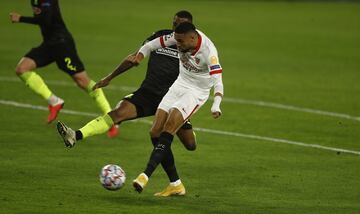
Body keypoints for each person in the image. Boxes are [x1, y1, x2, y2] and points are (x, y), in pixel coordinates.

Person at [57, 11, 198, 195]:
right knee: (118, 113)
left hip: (174, 99)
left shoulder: (195, 47)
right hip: (148, 93)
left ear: (190, 29)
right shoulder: (159, 37)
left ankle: (177, 177)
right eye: (175, 24)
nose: (176, 28)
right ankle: (75, 135)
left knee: (190, 145)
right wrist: (110, 77)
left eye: (181, 25)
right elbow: (135, 58)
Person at [130, 22, 224, 196]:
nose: (177, 45)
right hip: (179, 84)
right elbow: (151, 45)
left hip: (196, 93)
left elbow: (218, 81)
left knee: (168, 129)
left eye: (180, 42)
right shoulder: (179, 37)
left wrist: (216, 104)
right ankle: (176, 185)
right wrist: (140, 55)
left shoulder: (209, 53)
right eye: (176, 40)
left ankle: (145, 175)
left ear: (193, 38)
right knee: (155, 132)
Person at [9, 0, 117, 137]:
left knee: (83, 82)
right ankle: (54, 101)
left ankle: (112, 118)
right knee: (22, 69)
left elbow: (45, 20)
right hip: (49, 45)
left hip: (62, 45)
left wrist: (20, 18)